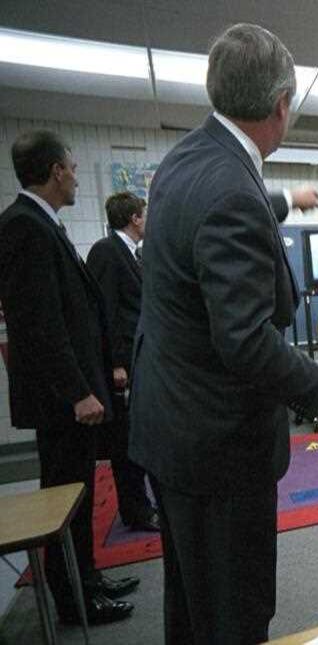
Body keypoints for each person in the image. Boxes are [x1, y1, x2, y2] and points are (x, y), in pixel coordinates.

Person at [128, 23, 318, 642]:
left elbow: (226, 207)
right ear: (281, 105)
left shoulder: (185, 162)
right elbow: (246, 341)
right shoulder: (231, 191)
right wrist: (316, 381)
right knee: (235, 612)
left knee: (192, 604)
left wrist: (285, 199)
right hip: (218, 447)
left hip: (172, 428)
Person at [0, 130, 136, 625]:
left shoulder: (43, 224)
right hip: (63, 401)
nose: (77, 176)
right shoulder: (23, 227)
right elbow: (37, 325)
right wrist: (79, 392)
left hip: (74, 393)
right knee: (65, 498)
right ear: (56, 171)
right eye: (73, 168)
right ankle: (73, 600)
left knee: (78, 495)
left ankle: (89, 579)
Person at [85, 191, 160, 533]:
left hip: (139, 361)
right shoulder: (107, 251)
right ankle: (136, 511)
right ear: (134, 218)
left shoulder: (134, 254)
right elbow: (106, 312)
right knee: (126, 442)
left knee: (140, 435)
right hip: (123, 367)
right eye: (145, 213)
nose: (147, 218)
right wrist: (116, 363)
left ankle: (142, 506)